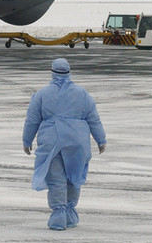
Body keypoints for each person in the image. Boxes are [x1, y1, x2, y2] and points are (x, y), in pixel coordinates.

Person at [22, 58, 106, 231]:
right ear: (69, 72)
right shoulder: (82, 94)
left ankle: (59, 214)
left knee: (56, 178)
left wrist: (27, 140)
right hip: (77, 139)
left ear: (52, 72)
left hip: (52, 140)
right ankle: (70, 212)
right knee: (73, 176)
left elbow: (32, 120)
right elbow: (93, 119)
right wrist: (101, 139)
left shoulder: (42, 94)